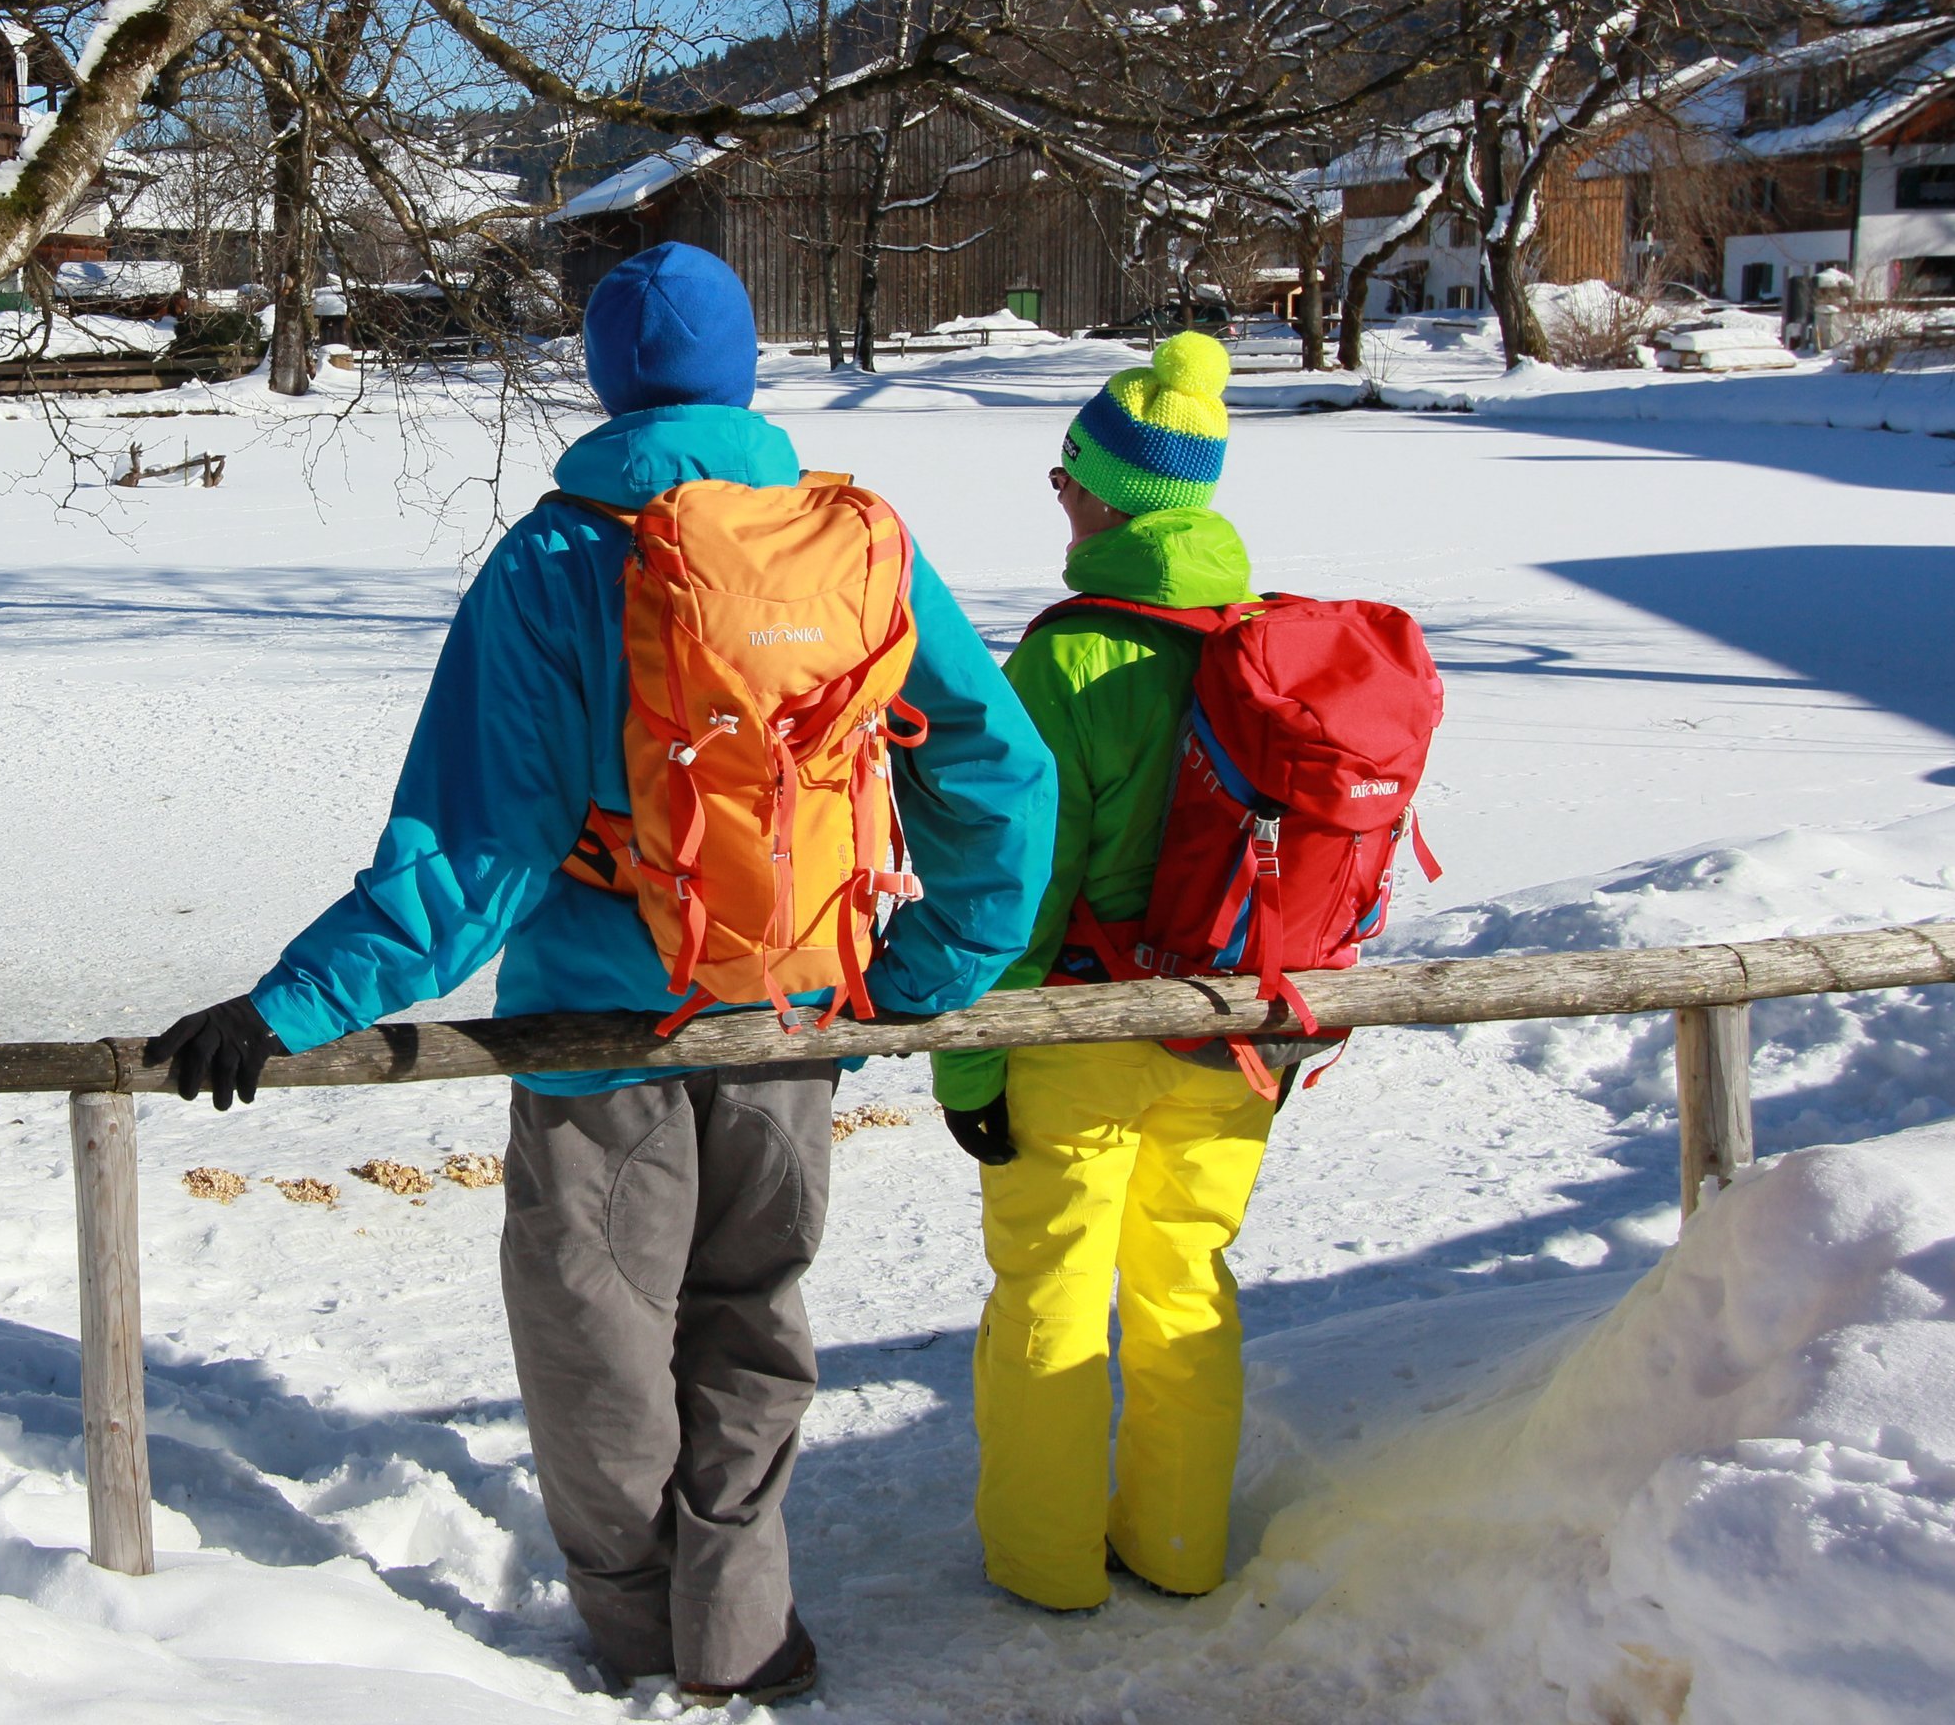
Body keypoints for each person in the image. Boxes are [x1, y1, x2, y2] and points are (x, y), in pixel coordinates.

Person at [146, 243, 1055, 1707]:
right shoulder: (855, 547)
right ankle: (745, 1635)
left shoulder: (560, 557)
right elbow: (1001, 770)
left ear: (604, 376)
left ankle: (642, 1646)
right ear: (748, 370)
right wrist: (923, 970)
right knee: (753, 1315)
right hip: (796, 1005)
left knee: (601, 1342)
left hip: (603, 1030)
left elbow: (476, 852)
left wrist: (291, 1003)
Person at [936, 330, 1276, 1613]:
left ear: (1113, 492)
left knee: (1054, 1292)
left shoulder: (1070, 660)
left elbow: (1019, 894)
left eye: (1067, 474)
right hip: (1236, 1036)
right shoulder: (1259, 636)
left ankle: (1048, 1566)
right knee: (1186, 1283)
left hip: (1080, 1037)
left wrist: (969, 1059)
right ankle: (1180, 1548)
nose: (1059, 496)